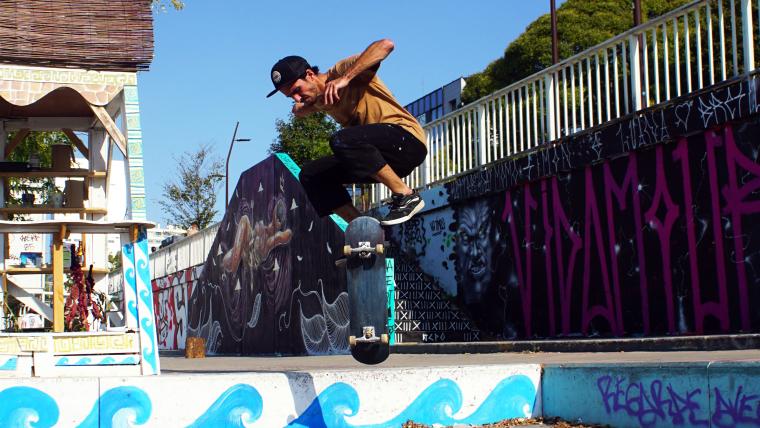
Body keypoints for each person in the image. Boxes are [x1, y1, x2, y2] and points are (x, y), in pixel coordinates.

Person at [266, 39, 427, 226]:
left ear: (310, 74)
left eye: (297, 90)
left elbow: (386, 45)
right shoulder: (317, 100)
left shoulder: (341, 70)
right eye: (290, 97)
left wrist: (346, 79)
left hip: (407, 140)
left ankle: (407, 195)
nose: (296, 98)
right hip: (381, 160)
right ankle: (363, 227)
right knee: (311, 174)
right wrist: (303, 106)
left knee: (341, 140)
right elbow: (298, 110)